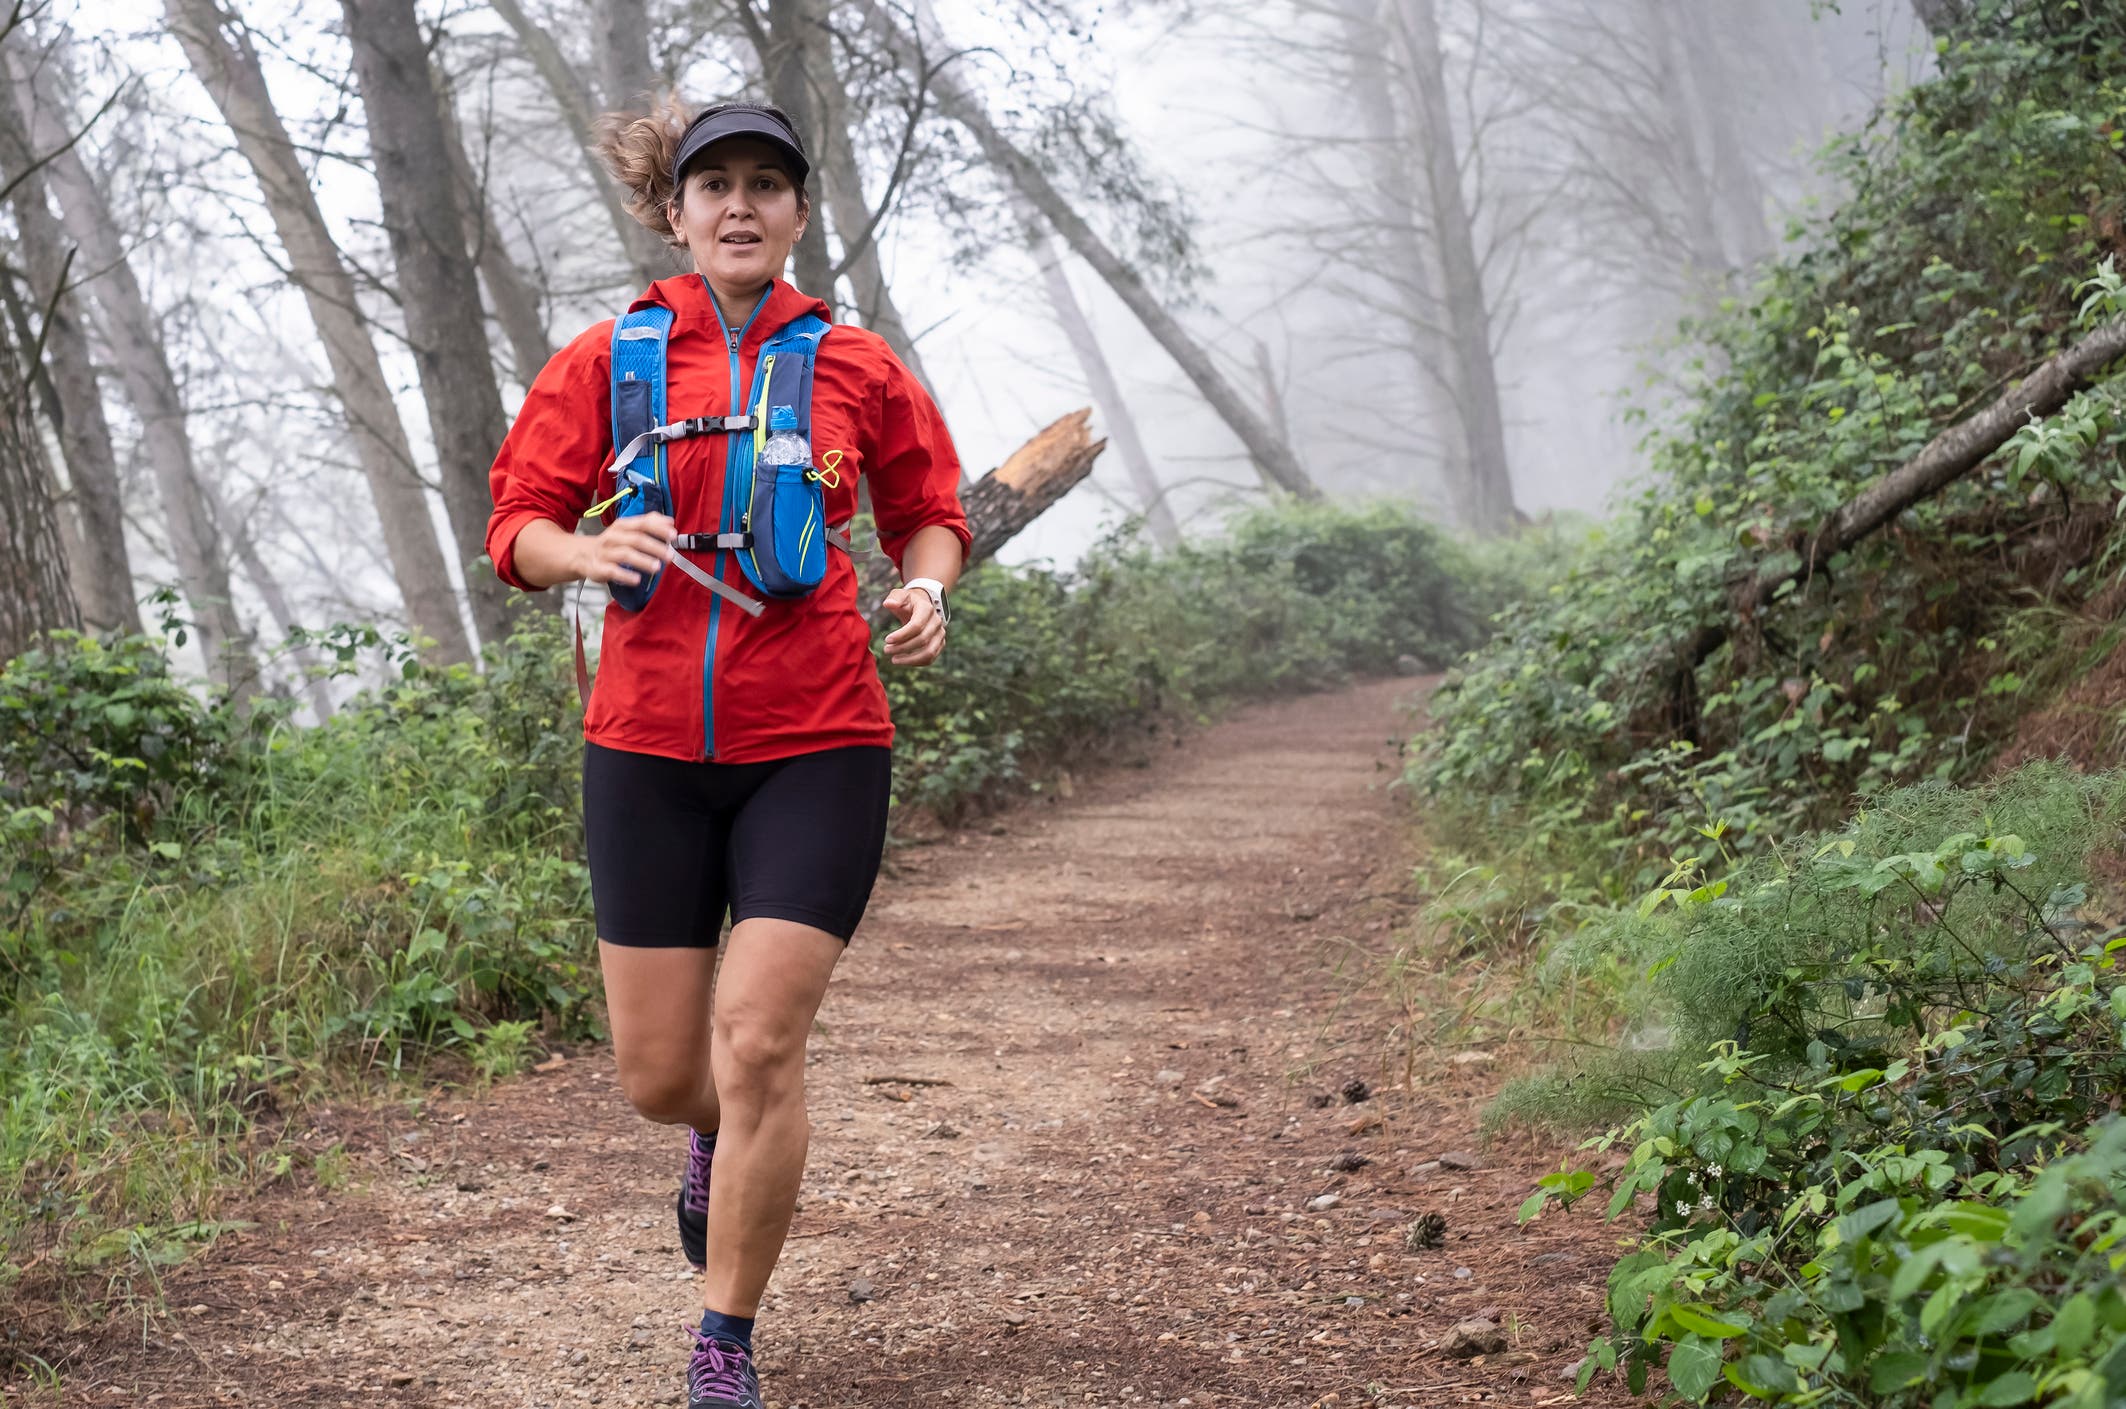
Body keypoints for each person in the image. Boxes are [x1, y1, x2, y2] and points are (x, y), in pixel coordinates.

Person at [484, 97, 967, 1409]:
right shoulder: (607, 358)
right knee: (660, 1077)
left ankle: (724, 1342)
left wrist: (928, 587)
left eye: (767, 184)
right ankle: (706, 1136)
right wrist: (583, 548)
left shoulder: (856, 364)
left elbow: (932, 510)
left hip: (817, 741)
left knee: (758, 1042)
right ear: (677, 212)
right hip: (643, 749)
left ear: (800, 213)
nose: (741, 205)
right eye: (716, 187)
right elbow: (517, 522)